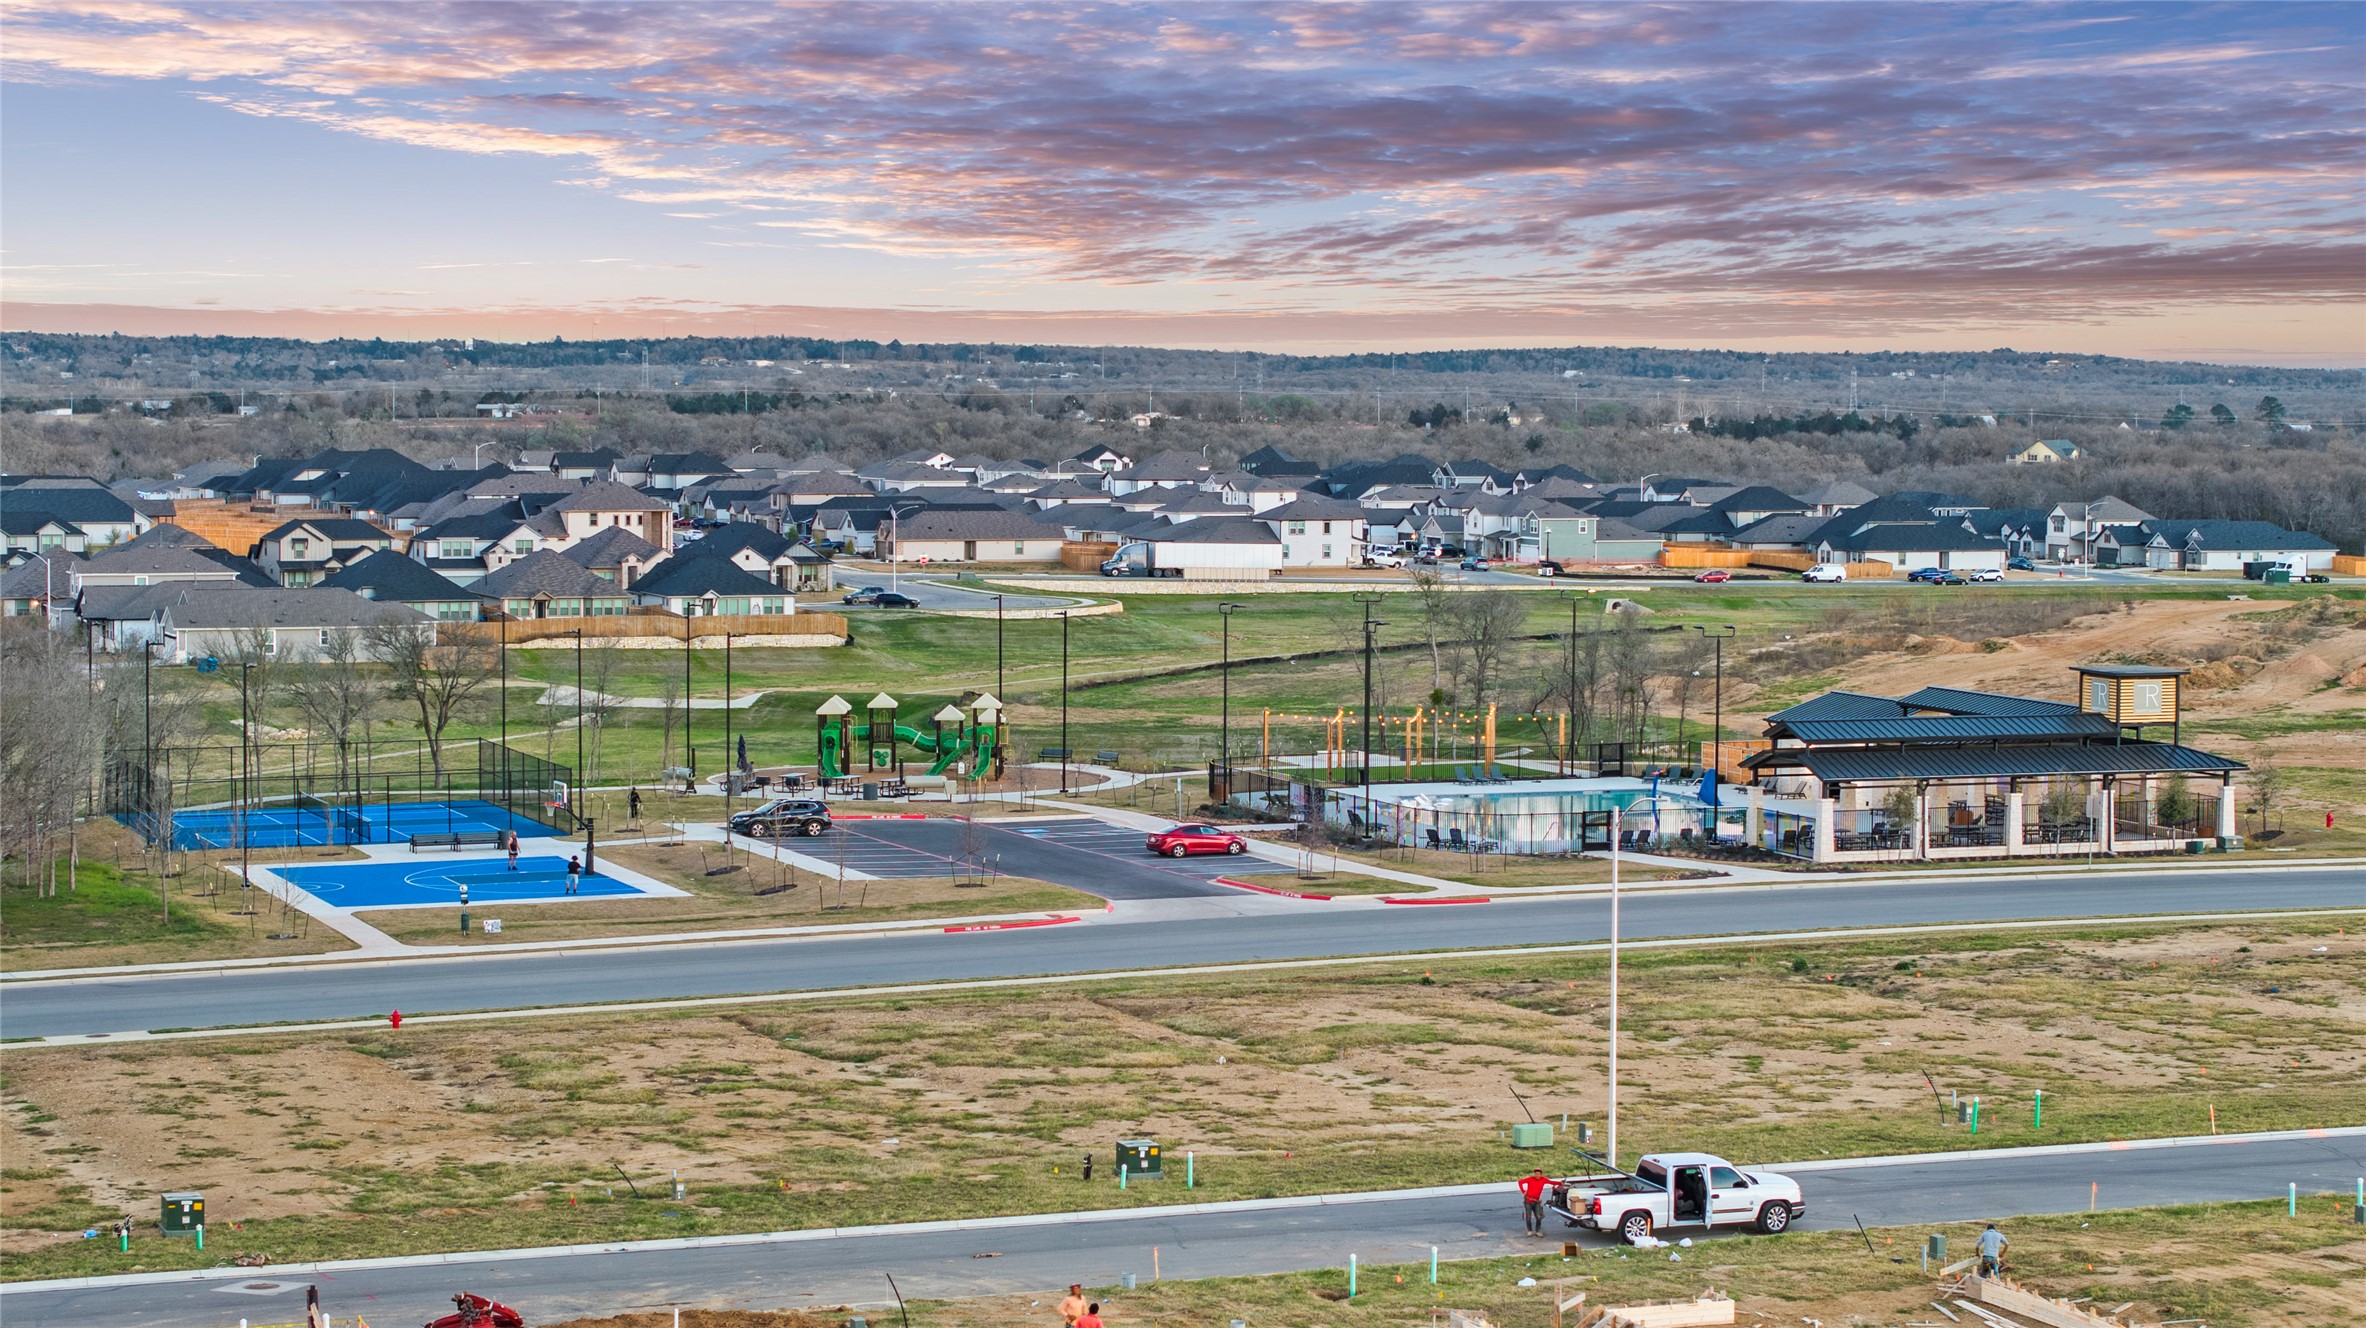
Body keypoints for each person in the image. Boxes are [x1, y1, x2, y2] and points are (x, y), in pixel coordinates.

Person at [1517, 1167, 1551, 1236]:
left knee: (1539, 1217)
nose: (1537, 1175)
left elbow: (1551, 1182)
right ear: (1534, 1174)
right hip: (1528, 1202)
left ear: (1541, 1174)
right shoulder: (1530, 1179)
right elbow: (1520, 1182)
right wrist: (1523, 1191)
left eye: (1539, 1174)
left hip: (1536, 1202)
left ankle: (1538, 1231)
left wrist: (1560, 1183)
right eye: (1536, 1173)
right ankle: (1530, 1230)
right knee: (1528, 1217)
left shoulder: (1543, 1179)